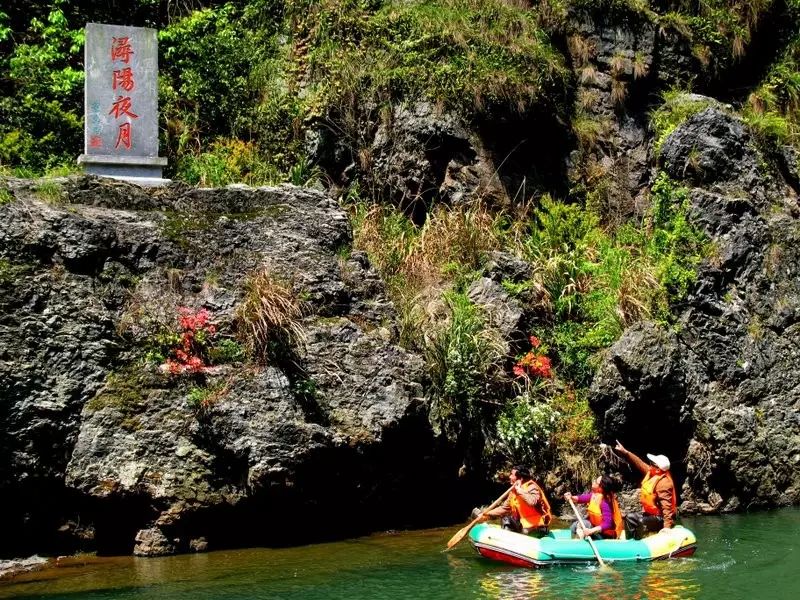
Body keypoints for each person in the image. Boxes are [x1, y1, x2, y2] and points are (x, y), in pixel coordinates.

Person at [614, 440, 677, 539]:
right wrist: (625, 452)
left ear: (657, 468)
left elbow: (667, 508)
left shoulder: (664, 483)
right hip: (650, 514)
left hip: (660, 518)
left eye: (651, 463)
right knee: (629, 517)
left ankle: (640, 543)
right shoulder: (652, 472)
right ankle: (630, 541)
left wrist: (667, 528)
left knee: (641, 521)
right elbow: (639, 463)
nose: (649, 464)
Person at [480, 465, 552, 535]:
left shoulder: (532, 487)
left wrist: (519, 490)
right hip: (523, 524)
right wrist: (486, 514)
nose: (509, 476)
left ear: (520, 479)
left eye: (512, 474)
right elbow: (504, 508)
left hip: (536, 525)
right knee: (505, 519)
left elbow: (532, 502)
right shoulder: (513, 492)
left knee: (517, 526)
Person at [564, 474, 624, 540]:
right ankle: (577, 540)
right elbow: (581, 498)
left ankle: (579, 541)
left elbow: (607, 524)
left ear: (600, 488)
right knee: (574, 526)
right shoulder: (595, 495)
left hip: (605, 536)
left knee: (584, 523)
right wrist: (571, 497)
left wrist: (591, 531)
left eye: (596, 482)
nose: (594, 481)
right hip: (596, 531)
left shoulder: (606, 502)